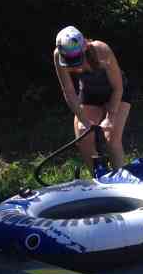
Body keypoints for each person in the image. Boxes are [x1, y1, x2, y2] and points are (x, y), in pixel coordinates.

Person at [53, 25, 132, 170]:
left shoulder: (101, 50)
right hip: (90, 93)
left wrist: (110, 117)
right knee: (83, 137)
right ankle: (99, 177)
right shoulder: (58, 55)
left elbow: (118, 87)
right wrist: (83, 119)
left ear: (84, 47)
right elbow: (69, 91)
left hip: (116, 92)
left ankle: (121, 177)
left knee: (111, 139)